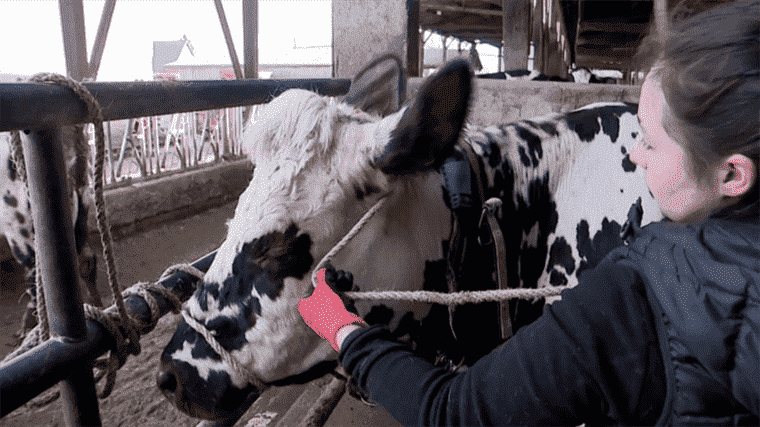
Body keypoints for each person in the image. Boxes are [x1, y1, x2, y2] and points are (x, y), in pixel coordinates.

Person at [298, 1, 759, 425]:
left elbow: (452, 413)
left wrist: (344, 331)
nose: (635, 154)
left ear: (733, 175)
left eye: (651, 142)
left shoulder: (634, 299)